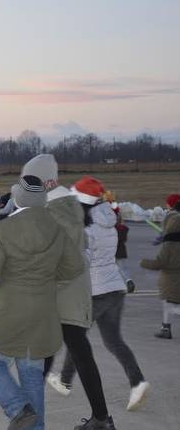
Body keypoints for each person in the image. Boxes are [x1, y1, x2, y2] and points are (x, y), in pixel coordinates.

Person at [0, 175, 85, 430]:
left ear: (19, 197)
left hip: (11, 311)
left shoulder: (7, 227)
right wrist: (50, 278)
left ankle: (17, 408)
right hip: (43, 314)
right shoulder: (56, 227)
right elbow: (75, 267)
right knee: (31, 375)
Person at [22, 155, 116, 430]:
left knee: (50, 354)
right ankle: (100, 419)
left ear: (46, 182)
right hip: (68, 292)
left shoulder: (58, 208)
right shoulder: (62, 204)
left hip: (62, 293)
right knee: (64, 353)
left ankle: (30, 417)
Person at [58, 176, 150, 412]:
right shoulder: (107, 219)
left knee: (75, 335)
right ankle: (137, 382)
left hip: (95, 291)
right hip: (114, 288)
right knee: (113, 341)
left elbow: (82, 260)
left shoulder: (86, 227)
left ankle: (65, 380)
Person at [141, 211, 180, 339]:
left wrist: (144, 263)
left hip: (171, 280)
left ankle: (166, 329)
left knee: (171, 306)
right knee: (168, 304)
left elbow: (160, 263)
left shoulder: (169, 244)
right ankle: (165, 328)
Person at [113, 205, 136, 293]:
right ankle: (129, 281)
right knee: (123, 268)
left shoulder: (111, 229)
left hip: (112, 251)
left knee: (113, 269)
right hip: (121, 250)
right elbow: (124, 239)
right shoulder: (123, 229)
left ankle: (116, 286)